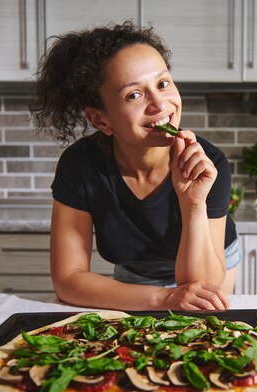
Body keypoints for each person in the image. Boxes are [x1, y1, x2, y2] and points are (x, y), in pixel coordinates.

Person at [29, 21, 239, 311]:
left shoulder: (208, 163)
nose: (159, 104)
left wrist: (193, 203)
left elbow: (201, 287)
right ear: (101, 120)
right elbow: (68, 279)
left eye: (163, 84)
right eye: (134, 95)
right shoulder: (80, 166)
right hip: (135, 274)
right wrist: (163, 298)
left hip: (211, 262)